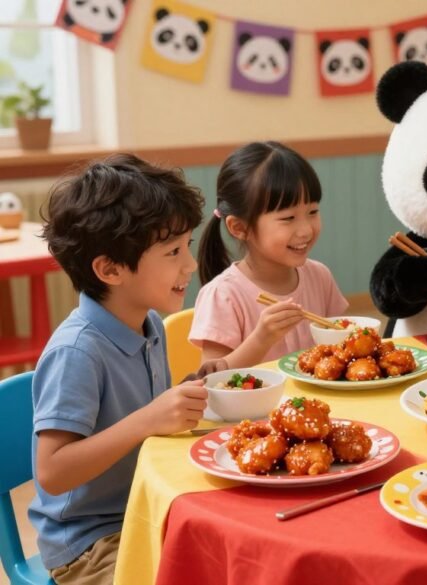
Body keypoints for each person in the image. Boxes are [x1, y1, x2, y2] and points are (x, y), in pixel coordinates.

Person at [30, 154, 210, 584]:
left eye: (187, 246)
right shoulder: (78, 352)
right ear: (110, 269)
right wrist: (149, 419)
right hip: (90, 544)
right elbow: (52, 472)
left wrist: (189, 393)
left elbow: (148, 414)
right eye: (173, 251)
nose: (190, 264)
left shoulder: (149, 325)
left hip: (147, 507)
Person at [192, 141, 348, 367]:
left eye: (313, 211)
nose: (306, 230)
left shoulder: (319, 276)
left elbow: (340, 348)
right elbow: (211, 379)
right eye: (288, 218)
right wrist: (261, 340)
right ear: (239, 227)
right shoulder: (223, 295)